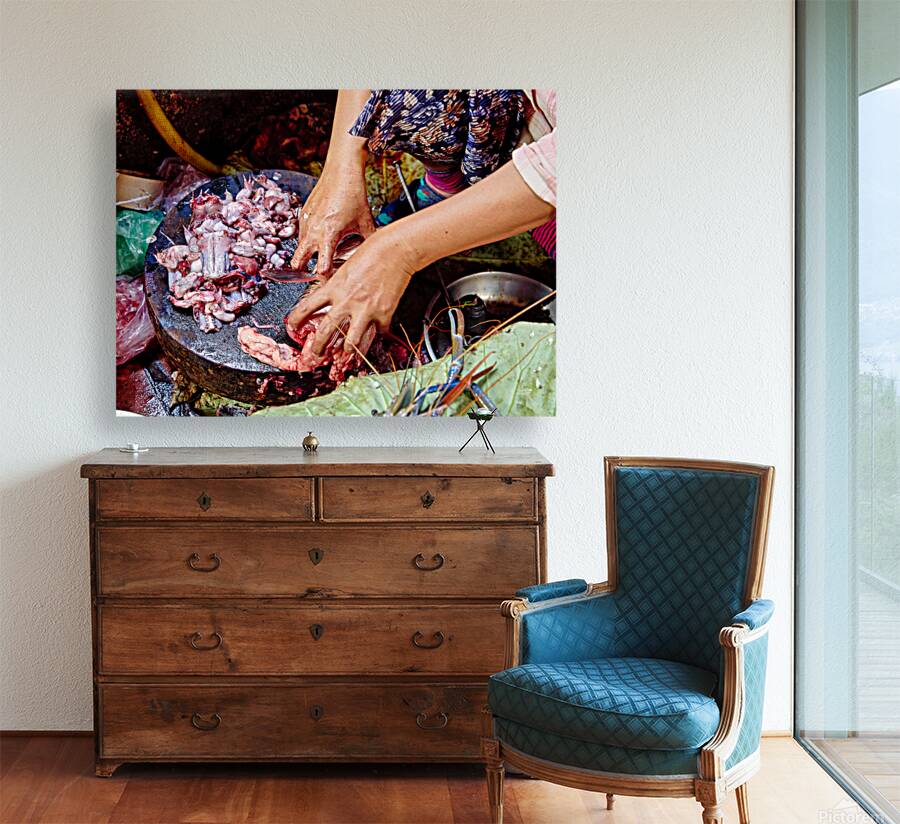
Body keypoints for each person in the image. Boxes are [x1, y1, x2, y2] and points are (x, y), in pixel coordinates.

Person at [286, 89, 556, 356]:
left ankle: (536, 221)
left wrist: (396, 251)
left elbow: (561, 164)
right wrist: (341, 167)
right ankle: (450, 186)